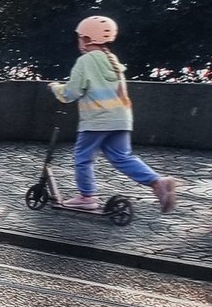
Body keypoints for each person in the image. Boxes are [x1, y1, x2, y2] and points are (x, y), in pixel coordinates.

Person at [48, 15, 179, 212]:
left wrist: (55, 88)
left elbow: (71, 93)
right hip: (121, 118)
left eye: (79, 38)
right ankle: (158, 182)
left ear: (87, 39)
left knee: (82, 158)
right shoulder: (113, 62)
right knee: (122, 157)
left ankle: (87, 196)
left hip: (97, 121)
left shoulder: (86, 61)